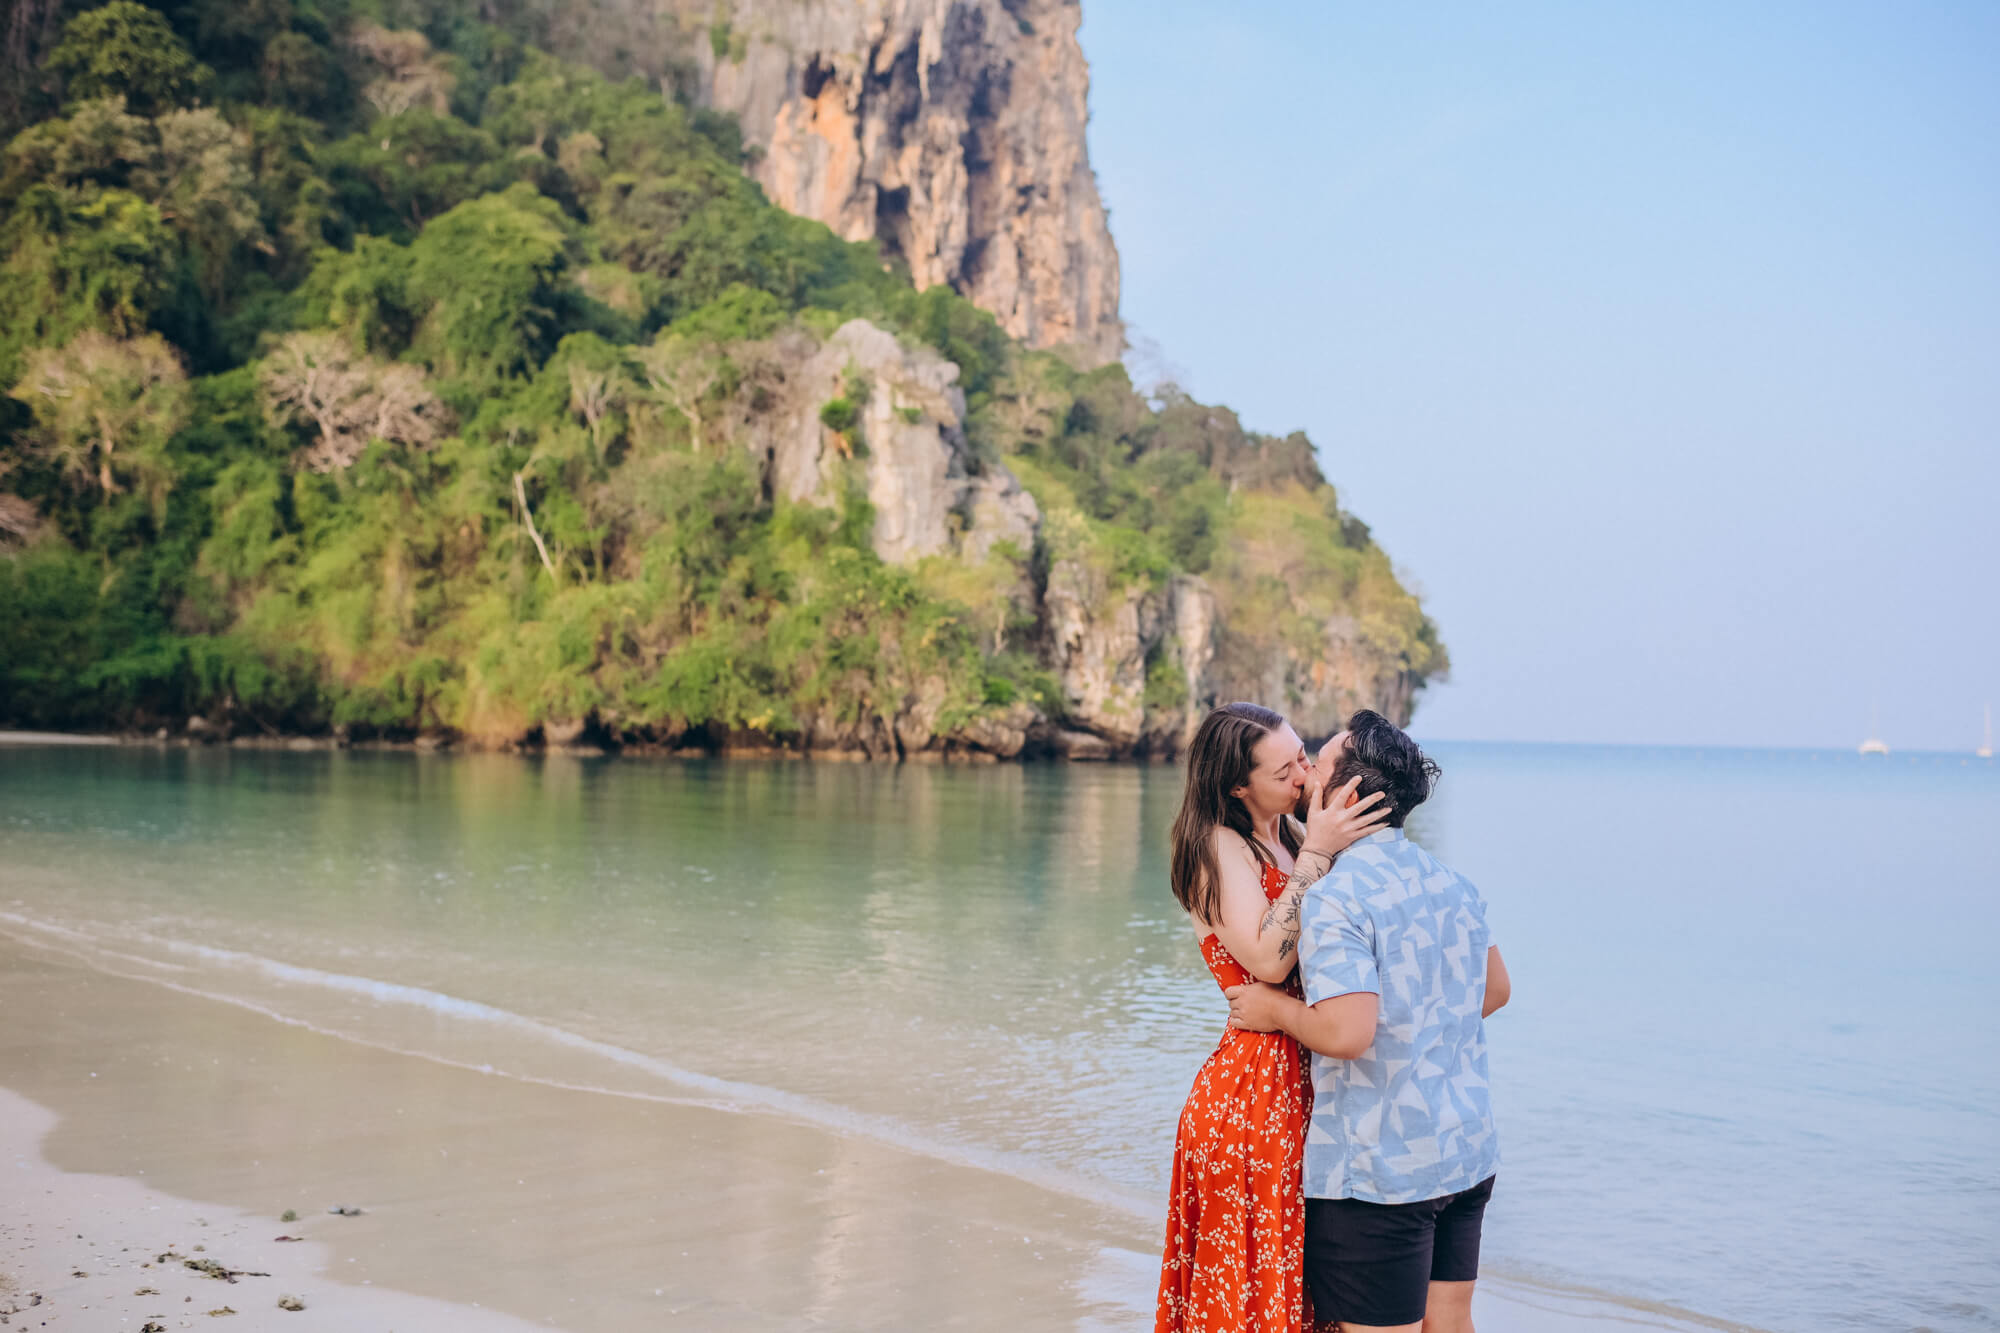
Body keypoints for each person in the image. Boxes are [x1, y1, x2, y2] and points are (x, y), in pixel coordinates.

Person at [1226, 710, 1511, 1333]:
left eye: (1318, 764)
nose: (1305, 775)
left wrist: (1276, 1009)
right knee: (1451, 1323)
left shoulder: (1336, 897)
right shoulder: (1453, 882)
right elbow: (1494, 991)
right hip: (1464, 1149)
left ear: (1347, 796)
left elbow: (1347, 1034)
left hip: (1382, 1170)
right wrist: (1415, 1024)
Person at [1156, 702, 1392, 1333]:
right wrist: (1317, 854)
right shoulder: (1214, 845)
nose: (1304, 774)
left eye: (1303, 757)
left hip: (1314, 1074)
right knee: (1257, 1292)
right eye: (1285, 770)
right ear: (1238, 785)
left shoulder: (1290, 833)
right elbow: (1266, 958)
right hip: (1255, 1093)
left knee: (1311, 1285)